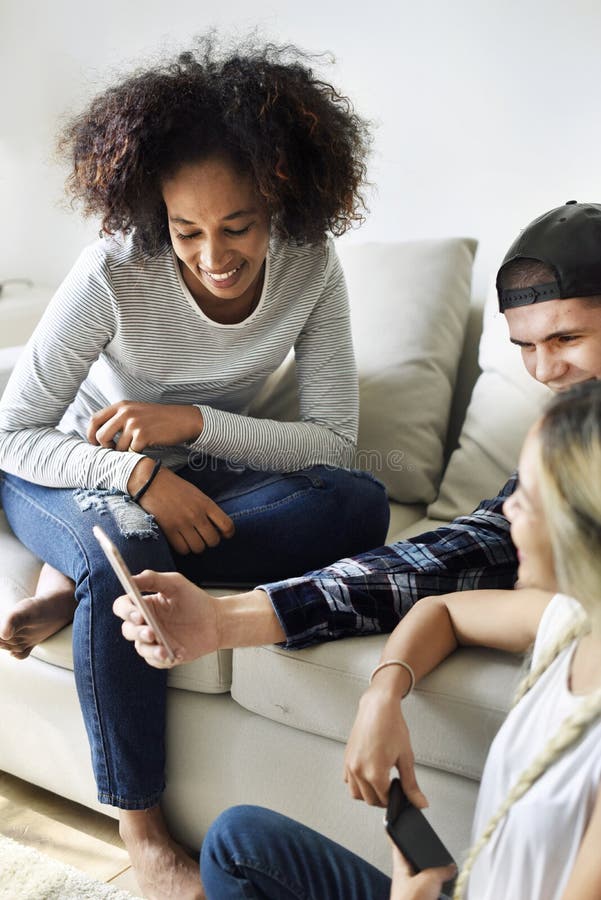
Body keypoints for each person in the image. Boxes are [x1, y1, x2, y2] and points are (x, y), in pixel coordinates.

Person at [0, 39, 390, 899]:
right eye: (186, 232)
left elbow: (330, 440)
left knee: (358, 502)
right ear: (155, 216)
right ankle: (144, 840)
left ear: (281, 201)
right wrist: (140, 477)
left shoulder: (312, 268)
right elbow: (13, 432)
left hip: (196, 471)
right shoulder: (113, 270)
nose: (212, 255)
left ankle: (85, 588)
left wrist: (188, 425)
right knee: (132, 543)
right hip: (70, 471)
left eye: (237, 228)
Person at [113, 199, 601, 672]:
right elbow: (470, 550)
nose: (545, 371)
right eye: (526, 346)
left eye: (567, 339)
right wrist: (225, 619)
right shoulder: (573, 438)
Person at [200, 379, 601, 898]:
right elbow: (442, 612)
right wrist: (382, 695)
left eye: (529, 495)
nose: (508, 511)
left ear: (582, 525)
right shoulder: (569, 618)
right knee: (238, 843)